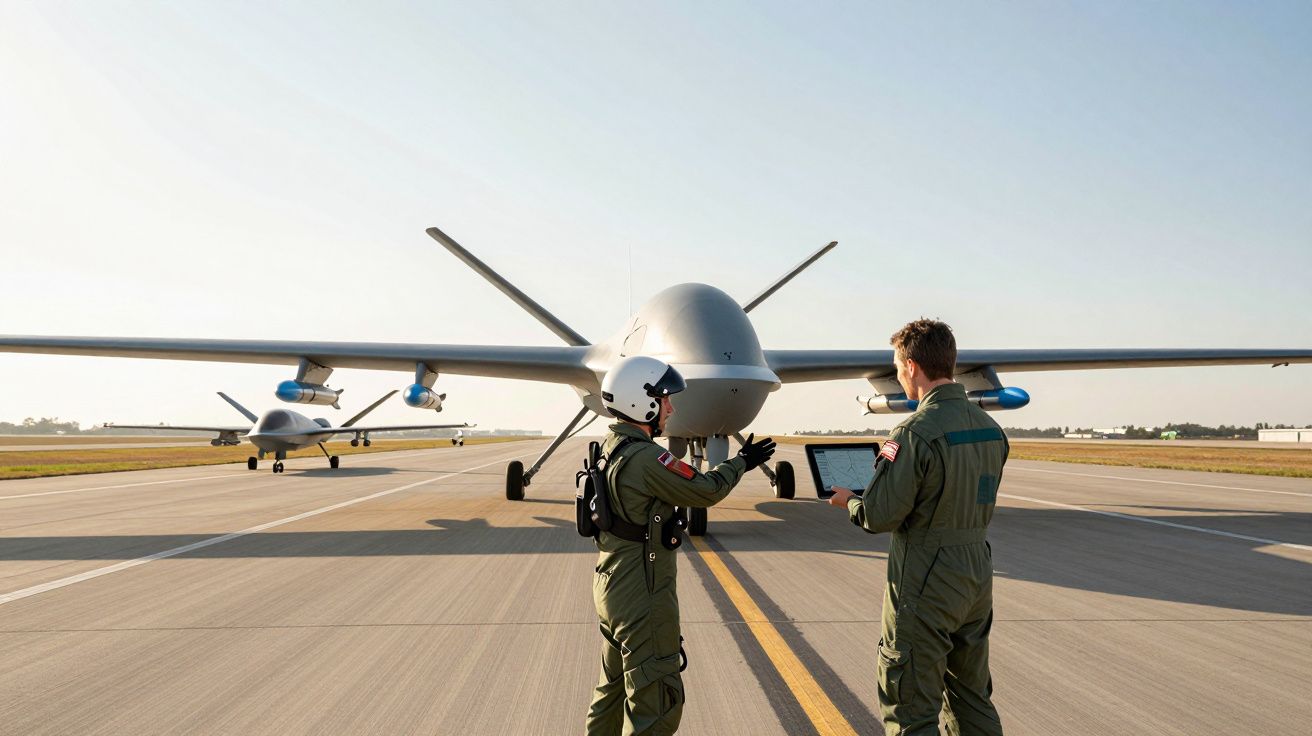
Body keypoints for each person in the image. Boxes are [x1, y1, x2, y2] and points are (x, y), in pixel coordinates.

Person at [826, 319, 1007, 736]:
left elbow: (881, 515)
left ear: (911, 366)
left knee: (909, 703)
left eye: (896, 367)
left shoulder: (912, 432)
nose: (897, 376)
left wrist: (849, 502)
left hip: (926, 578)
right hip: (976, 574)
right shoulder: (991, 430)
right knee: (972, 696)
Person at [586, 355, 776, 736]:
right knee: (655, 704)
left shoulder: (610, 447)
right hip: (643, 593)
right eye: (665, 399)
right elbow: (706, 489)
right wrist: (742, 462)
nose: (671, 407)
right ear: (643, 402)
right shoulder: (646, 458)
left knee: (611, 692)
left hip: (611, 587)